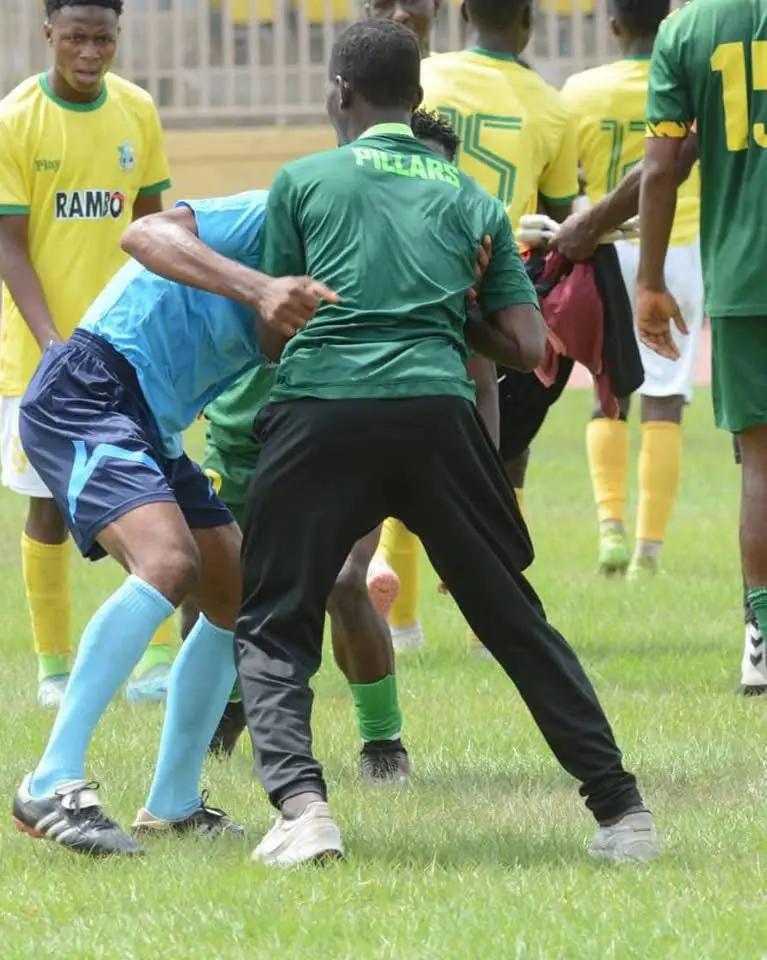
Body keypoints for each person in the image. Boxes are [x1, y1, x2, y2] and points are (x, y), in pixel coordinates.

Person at [233, 19, 657, 868]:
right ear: (418, 99)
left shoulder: (301, 181)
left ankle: (305, 809)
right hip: (435, 411)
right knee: (511, 619)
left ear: (337, 94)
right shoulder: (470, 199)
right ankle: (622, 815)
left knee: (276, 619)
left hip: (323, 408)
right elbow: (530, 347)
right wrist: (446, 317)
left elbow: (275, 335)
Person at [10, 187, 336, 856]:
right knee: (168, 563)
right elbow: (144, 235)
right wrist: (260, 288)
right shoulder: (284, 206)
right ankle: (49, 780)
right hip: (88, 389)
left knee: (232, 592)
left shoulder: (355, 254)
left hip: (150, 423)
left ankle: (173, 803)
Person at [200, 111, 479, 784]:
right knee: (224, 595)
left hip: (345, 436)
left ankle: (382, 744)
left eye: (437, 177)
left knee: (344, 579)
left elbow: (482, 374)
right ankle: (215, 727)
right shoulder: (307, 210)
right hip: (245, 434)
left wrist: (479, 500)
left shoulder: (445, 259)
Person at [0, 0, 174, 707]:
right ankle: (54, 670)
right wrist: (56, 348)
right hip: (42, 354)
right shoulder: (12, 121)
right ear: (48, 36)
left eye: (104, 38)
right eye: (76, 38)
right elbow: (11, 248)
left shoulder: (137, 111)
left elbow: (155, 230)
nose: (90, 52)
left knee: (160, 490)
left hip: (132, 351)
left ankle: (157, 661)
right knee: (46, 507)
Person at [372, 0, 580, 655]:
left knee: (405, 438)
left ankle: (399, 624)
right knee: (500, 458)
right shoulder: (550, 104)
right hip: (498, 289)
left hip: (408, 280)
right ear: (528, 25)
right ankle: (489, 621)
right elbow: (556, 219)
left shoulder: (420, 77)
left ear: (461, 14)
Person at [637, 0, 767, 694]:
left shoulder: (685, 29)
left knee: (760, 462)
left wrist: (649, 281)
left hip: (745, 270)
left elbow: (660, 167)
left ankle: (762, 640)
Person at [561, 0, 703, 578]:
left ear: (612, 24)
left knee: (606, 386)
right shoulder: (688, 86)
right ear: (668, 19)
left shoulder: (579, 91)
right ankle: (650, 549)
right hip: (681, 244)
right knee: (666, 397)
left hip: (607, 247)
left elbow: (568, 175)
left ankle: (610, 527)